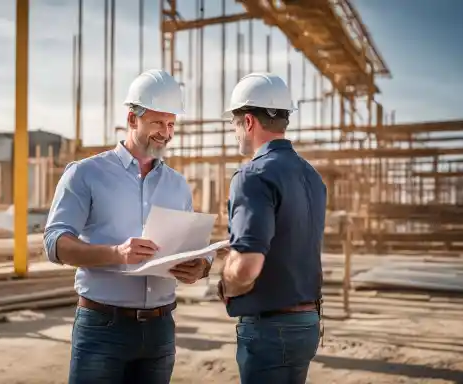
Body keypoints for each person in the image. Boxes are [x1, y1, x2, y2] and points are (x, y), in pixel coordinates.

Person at [44, 69, 213, 384]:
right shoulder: (86, 174)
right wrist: (116, 253)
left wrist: (201, 266)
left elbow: (195, 247)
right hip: (102, 327)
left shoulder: (178, 185)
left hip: (160, 329)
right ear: (132, 119)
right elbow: (54, 243)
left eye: (171, 124)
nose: (165, 132)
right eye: (157, 123)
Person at [217, 73, 327, 384]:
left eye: (235, 123)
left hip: (270, 329)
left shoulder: (252, 175)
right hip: (307, 322)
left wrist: (226, 283)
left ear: (249, 122)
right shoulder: (312, 177)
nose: (233, 131)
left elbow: (247, 265)